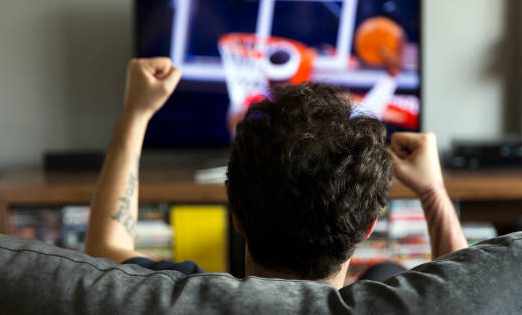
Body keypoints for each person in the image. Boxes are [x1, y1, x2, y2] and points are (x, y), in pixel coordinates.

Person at [85, 57, 468, 289]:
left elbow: (105, 249)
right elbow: (469, 290)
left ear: (237, 214)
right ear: (368, 226)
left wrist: (136, 112)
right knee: (387, 271)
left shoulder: (178, 302)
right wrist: (433, 191)